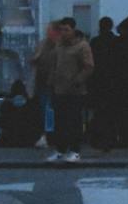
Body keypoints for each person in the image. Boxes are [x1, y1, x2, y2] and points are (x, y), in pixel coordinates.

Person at [44, 17, 94, 163]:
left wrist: (77, 81)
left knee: (74, 122)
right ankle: (60, 149)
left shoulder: (82, 46)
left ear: (73, 30)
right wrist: (51, 84)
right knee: (60, 122)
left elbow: (89, 66)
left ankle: (75, 150)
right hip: (59, 90)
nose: (64, 33)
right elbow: (54, 66)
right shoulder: (59, 46)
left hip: (75, 91)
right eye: (62, 30)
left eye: (67, 30)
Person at [87, 17, 123, 150]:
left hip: (98, 83)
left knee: (99, 112)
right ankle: (112, 139)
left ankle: (99, 139)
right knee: (112, 113)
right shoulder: (117, 42)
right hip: (113, 83)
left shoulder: (95, 42)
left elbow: (91, 63)